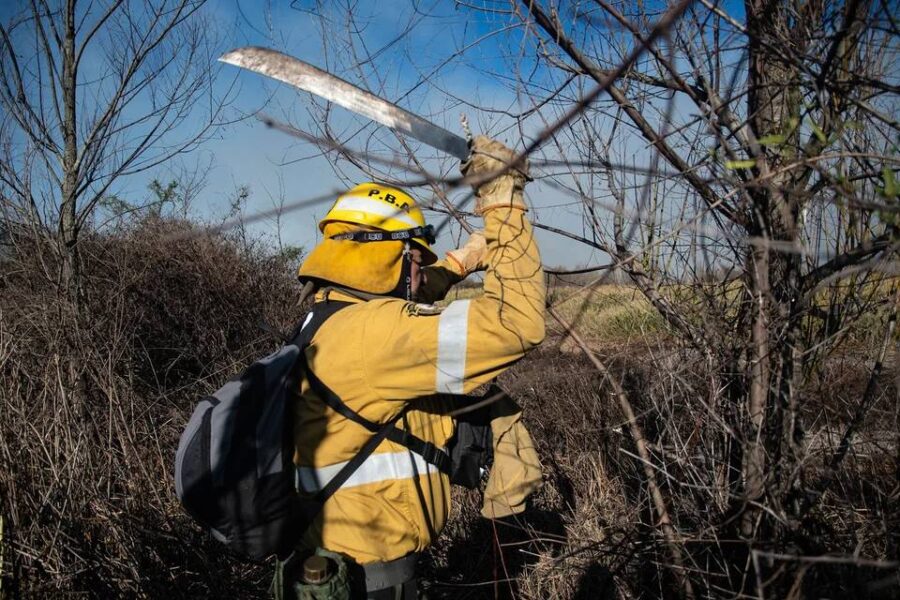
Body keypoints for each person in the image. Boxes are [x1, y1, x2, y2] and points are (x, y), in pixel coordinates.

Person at [277, 136, 545, 599]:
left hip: (328, 566)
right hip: (372, 584)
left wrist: (462, 261)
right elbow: (516, 322)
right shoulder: (377, 336)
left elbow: (410, 291)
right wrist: (502, 202)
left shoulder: (329, 314)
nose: (421, 272)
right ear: (390, 257)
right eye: (417, 257)